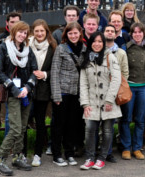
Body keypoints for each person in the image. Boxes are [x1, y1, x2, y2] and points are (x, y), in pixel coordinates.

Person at [0, 21, 37, 175]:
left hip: (26, 94)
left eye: (25, 33)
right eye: (20, 32)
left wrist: (27, 88)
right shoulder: (3, 48)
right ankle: (1, 160)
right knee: (15, 128)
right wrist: (14, 88)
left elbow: (34, 71)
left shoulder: (28, 50)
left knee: (23, 127)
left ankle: (17, 157)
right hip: (12, 94)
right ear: (14, 32)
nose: (22, 35)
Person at [79, 32, 122, 170]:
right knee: (90, 129)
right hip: (91, 102)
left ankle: (102, 158)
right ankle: (90, 158)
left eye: (100, 41)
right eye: (94, 41)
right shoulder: (86, 60)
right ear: (90, 43)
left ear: (103, 43)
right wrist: (85, 103)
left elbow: (116, 79)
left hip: (108, 102)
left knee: (107, 131)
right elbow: (83, 84)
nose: (97, 44)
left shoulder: (111, 57)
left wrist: (109, 100)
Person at [50, 22, 86, 167]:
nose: (73, 36)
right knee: (59, 125)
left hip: (77, 93)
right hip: (63, 92)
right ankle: (57, 154)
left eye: (75, 33)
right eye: (70, 33)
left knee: (72, 125)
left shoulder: (84, 49)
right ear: (66, 35)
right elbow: (54, 72)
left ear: (80, 34)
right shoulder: (61, 48)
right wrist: (56, 95)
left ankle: (69, 153)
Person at [119, 22, 145, 160]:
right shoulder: (125, 48)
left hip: (144, 86)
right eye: (135, 32)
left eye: (140, 32)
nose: (137, 35)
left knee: (140, 119)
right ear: (131, 34)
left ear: (144, 33)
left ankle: (137, 148)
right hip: (129, 87)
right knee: (125, 118)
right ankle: (126, 147)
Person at [28, 19, 57, 167]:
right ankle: (20, 152)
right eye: (37, 31)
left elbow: (56, 70)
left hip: (43, 91)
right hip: (27, 89)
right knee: (24, 122)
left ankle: (37, 154)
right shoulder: (27, 45)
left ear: (46, 32)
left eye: (42, 31)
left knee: (40, 123)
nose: (39, 34)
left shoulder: (52, 47)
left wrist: (44, 74)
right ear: (33, 32)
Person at [103, 24, 129, 163]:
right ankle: (97, 150)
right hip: (99, 90)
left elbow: (125, 73)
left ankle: (108, 152)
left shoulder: (121, 53)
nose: (109, 33)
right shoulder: (98, 50)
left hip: (114, 92)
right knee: (97, 123)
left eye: (112, 31)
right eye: (107, 30)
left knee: (110, 123)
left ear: (115, 34)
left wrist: (116, 88)